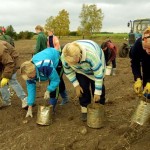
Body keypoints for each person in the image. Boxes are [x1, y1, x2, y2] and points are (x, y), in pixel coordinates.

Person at [61, 40, 106, 121]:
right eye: (71, 63)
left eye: (74, 62)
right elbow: (68, 71)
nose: (73, 64)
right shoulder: (65, 57)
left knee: (98, 88)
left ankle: (99, 108)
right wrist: (76, 85)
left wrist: (97, 92)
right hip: (80, 70)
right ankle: (84, 109)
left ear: (79, 55)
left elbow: (99, 73)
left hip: (95, 68)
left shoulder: (91, 55)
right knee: (83, 87)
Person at [20, 47, 60, 118]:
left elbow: (55, 80)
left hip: (55, 57)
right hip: (44, 57)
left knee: (58, 82)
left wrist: (48, 90)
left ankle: (53, 106)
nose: (29, 79)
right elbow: (31, 90)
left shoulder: (46, 65)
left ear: (34, 71)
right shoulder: (29, 74)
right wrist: (30, 107)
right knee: (52, 82)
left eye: (30, 77)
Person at [0, 40, 27, 108]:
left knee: (12, 80)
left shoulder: (1, 49)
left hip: (12, 61)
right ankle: (6, 101)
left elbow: (9, 63)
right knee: (1, 82)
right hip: (2, 63)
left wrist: (6, 77)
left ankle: (24, 99)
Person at [47, 28, 69, 105]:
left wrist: (53, 52)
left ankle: (54, 101)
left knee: (57, 79)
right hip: (51, 57)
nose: (48, 33)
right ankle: (64, 97)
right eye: (48, 32)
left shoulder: (55, 38)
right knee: (58, 80)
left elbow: (57, 46)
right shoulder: (48, 38)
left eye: (49, 32)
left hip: (57, 56)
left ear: (52, 32)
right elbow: (48, 46)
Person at [130, 26, 150, 98]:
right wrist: (138, 78)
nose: (149, 51)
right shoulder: (137, 45)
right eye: (146, 48)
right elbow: (135, 63)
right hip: (145, 62)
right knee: (147, 90)